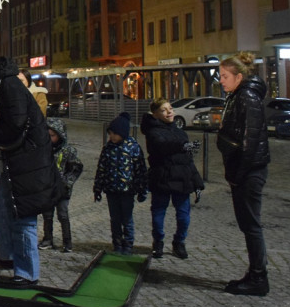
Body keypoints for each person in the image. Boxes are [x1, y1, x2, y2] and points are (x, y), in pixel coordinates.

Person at [0, 44, 62, 285]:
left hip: (26, 162)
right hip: (19, 161)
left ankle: (28, 273)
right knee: (4, 208)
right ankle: (12, 261)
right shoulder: (5, 85)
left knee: (23, 215)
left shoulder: (9, 86)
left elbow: (13, 128)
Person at [217, 52, 271, 296]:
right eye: (220, 75)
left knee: (251, 226)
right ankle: (255, 273)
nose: (221, 80)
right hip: (242, 170)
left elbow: (249, 142)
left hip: (248, 172)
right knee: (248, 225)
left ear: (239, 77)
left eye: (225, 76)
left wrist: (238, 174)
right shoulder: (237, 95)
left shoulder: (246, 97)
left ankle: (259, 278)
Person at [141, 99, 205, 259]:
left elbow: (188, 160)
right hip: (162, 178)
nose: (169, 112)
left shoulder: (180, 131)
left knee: (183, 215)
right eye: (164, 110)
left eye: (170, 108)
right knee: (158, 214)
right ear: (155, 114)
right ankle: (158, 242)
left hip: (181, 179)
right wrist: (183, 146)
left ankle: (179, 242)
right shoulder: (153, 131)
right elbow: (163, 146)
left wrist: (197, 181)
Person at [92, 112, 148, 255]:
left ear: (122, 133)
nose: (112, 137)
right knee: (115, 219)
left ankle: (128, 244)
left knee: (127, 219)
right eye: (110, 133)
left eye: (114, 134)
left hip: (127, 191)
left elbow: (140, 170)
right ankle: (117, 244)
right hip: (111, 190)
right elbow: (101, 169)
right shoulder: (108, 149)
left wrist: (142, 189)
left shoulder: (133, 147)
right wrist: (97, 188)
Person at [39, 117, 83, 252]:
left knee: (63, 215)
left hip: (62, 190)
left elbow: (75, 168)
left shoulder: (68, 151)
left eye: (52, 135)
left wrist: (66, 183)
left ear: (60, 135)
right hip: (47, 188)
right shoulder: (43, 149)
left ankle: (67, 241)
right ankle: (47, 238)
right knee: (47, 215)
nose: (49, 138)